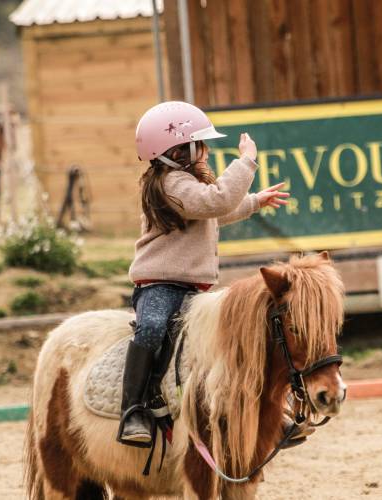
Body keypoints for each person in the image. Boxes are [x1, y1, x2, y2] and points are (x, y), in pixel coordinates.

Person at [120, 101, 289, 445]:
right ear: (178, 151)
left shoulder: (184, 186)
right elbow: (216, 202)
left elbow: (212, 212)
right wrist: (246, 163)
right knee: (151, 328)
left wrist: (255, 201)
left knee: (230, 340)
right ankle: (133, 408)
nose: (207, 151)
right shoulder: (170, 184)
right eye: (201, 144)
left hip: (194, 289)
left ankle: (262, 412)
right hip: (160, 286)